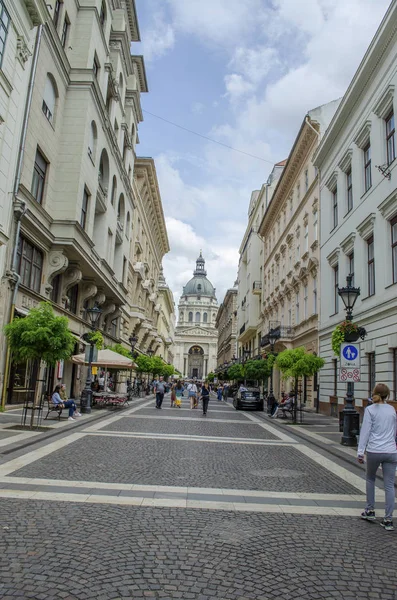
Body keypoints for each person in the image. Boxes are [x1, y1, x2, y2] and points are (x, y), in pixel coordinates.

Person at [358, 383, 397, 531]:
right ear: (387, 395)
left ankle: (370, 510)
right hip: (391, 451)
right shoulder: (392, 409)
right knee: (389, 485)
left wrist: (360, 452)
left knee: (370, 478)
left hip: (375, 450)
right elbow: (394, 432)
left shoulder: (370, 410)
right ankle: (388, 520)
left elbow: (365, 432)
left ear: (375, 393)